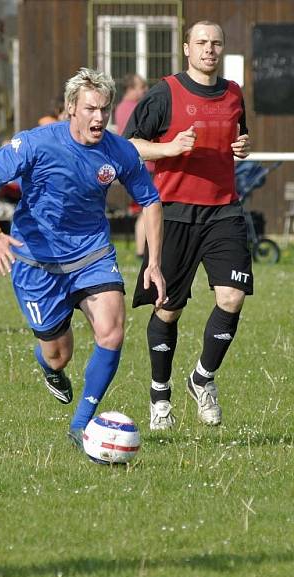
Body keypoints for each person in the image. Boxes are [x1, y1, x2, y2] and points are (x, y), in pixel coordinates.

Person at [0, 67, 165, 449]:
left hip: (92, 253)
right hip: (36, 261)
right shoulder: (36, 143)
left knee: (112, 330)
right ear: (71, 108)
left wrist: (153, 261)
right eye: (91, 109)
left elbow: (151, 201)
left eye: (105, 110)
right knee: (59, 355)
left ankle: (82, 425)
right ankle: (50, 369)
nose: (99, 118)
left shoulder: (118, 150)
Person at [124, 20, 251, 431]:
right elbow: (128, 144)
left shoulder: (234, 93)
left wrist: (241, 147)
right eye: (202, 43)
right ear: (186, 49)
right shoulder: (164, 93)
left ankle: (203, 379)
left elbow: (238, 137)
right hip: (174, 212)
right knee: (168, 308)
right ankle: (160, 394)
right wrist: (168, 147)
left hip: (224, 210)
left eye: (216, 43)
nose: (209, 50)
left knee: (232, 297)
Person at [114, 73, 150, 259]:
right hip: (144, 163)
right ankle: (141, 250)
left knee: (145, 209)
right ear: (131, 88)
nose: (145, 90)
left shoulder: (120, 108)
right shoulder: (135, 108)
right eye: (141, 86)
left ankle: (141, 249)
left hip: (131, 163)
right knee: (149, 206)